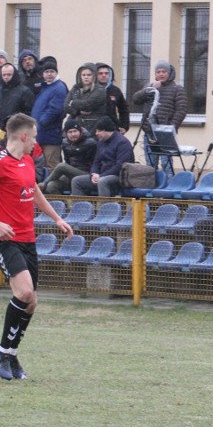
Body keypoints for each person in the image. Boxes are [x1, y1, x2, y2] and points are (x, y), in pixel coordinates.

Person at [0, 113, 73, 380]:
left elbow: (34, 192)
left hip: (28, 239)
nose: (36, 141)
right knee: (24, 291)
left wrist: (57, 219)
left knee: (31, 303)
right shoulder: (1, 162)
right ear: (22, 135)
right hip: (6, 241)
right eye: (33, 136)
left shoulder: (28, 161)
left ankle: (10, 354)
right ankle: (3, 354)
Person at [132, 60, 188, 176]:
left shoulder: (177, 88)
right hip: (149, 130)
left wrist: (171, 126)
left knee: (166, 163)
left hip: (165, 132)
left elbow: (181, 110)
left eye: (164, 71)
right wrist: (148, 90)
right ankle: (152, 187)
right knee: (150, 164)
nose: (161, 74)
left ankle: (168, 187)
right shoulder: (149, 87)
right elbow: (136, 100)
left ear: (169, 73)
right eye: (158, 72)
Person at [70, 116, 134, 197]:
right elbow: (96, 162)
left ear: (107, 131)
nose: (96, 133)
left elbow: (120, 166)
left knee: (102, 181)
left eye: (99, 131)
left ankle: (104, 208)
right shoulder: (101, 142)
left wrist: (101, 176)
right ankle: (82, 208)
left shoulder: (122, 143)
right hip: (101, 175)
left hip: (118, 177)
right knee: (76, 181)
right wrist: (94, 174)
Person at [39, 119, 97, 194]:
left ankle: (43, 184)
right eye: (70, 132)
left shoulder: (90, 143)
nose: (73, 134)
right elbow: (68, 162)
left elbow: (95, 162)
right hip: (70, 173)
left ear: (80, 131)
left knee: (61, 166)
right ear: (66, 133)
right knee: (51, 186)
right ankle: (62, 204)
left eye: (75, 131)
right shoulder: (65, 143)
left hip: (86, 174)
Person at [30, 56, 67, 168]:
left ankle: (55, 186)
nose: (49, 74)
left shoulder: (59, 87)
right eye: (46, 71)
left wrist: (39, 124)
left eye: (52, 71)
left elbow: (55, 110)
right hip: (42, 134)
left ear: (56, 73)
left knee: (52, 166)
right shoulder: (46, 87)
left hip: (50, 135)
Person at [64, 62, 109, 133]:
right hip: (75, 127)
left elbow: (87, 105)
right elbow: (66, 106)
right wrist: (78, 111)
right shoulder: (75, 88)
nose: (86, 77)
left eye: (89, 75)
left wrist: (73, 102)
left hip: (92, 127)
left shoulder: (100, 90)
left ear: (94, 76)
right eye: (83, 75)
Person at [96, 63, 130, 135]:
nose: (104, 75)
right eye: (100, 73)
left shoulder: (115, 90)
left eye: (106, 73)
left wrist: (124, 126)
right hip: (94, 128)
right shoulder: (90, 90)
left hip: (112, 128)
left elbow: (124, 109)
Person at [0, 63, 34, 131]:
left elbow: (28, 114)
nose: (6, 77)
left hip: (17, 130)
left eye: (9, 74)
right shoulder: (1, 91)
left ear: (14, 75)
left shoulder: (25, 91)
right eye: (4, 75)